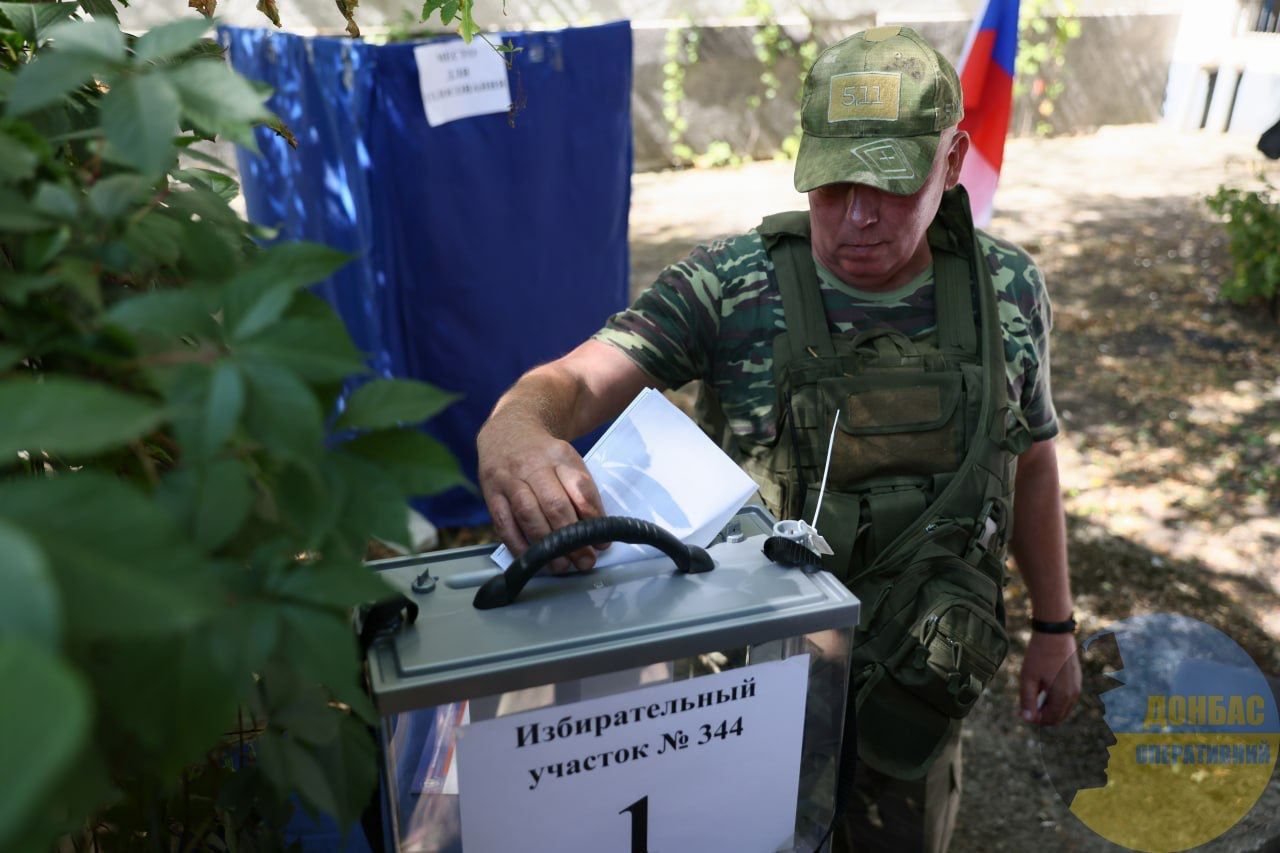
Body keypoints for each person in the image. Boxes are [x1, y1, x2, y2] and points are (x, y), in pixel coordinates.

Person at [477, 25, 1082, 852]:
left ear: (951, 164)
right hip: (745, 694)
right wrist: (516, 427)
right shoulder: (735, 281)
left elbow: (1030, 458)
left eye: (891, 185)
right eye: (831, 185)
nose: (857, 218)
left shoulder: (1005, 290)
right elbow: (577, 381)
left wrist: (1055, 625)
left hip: (918, 691)